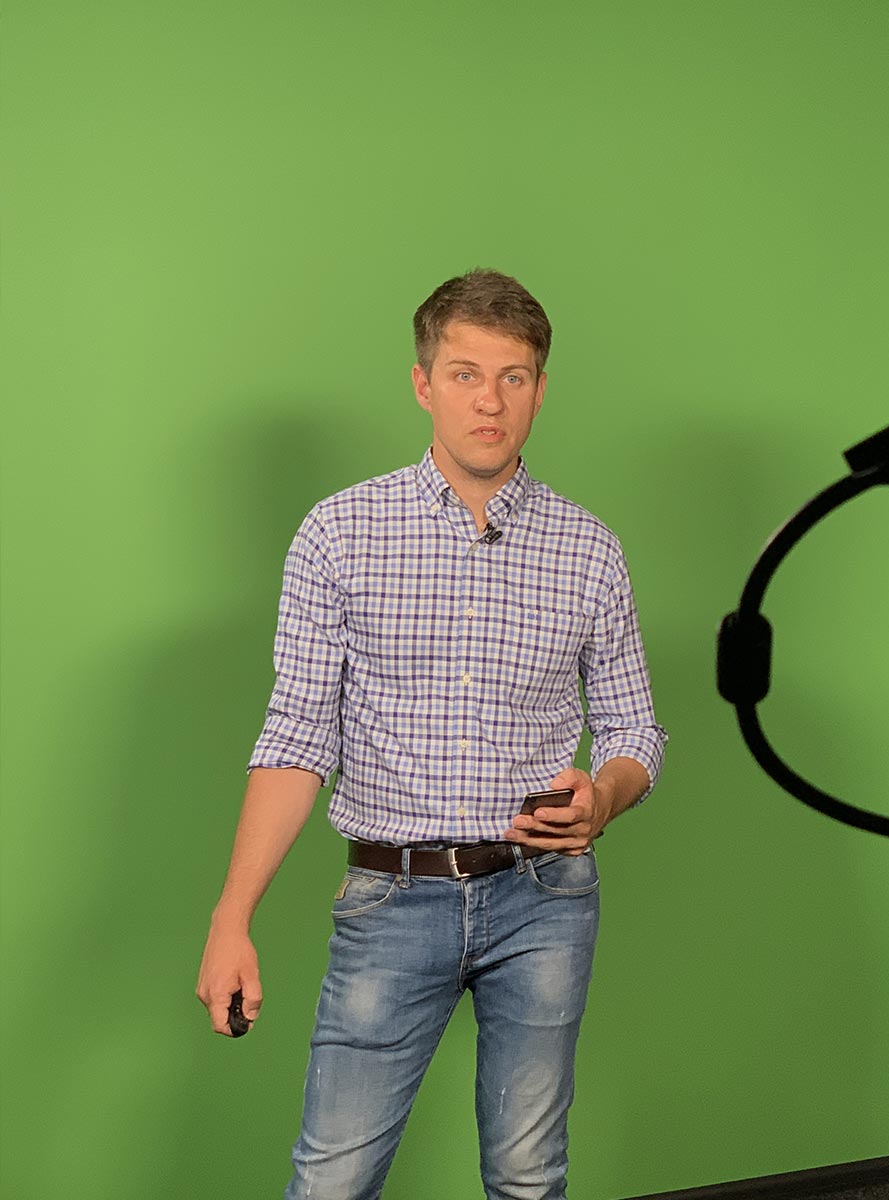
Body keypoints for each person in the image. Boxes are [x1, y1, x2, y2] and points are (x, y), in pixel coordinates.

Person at [195, 268, 666, 1199]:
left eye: (513, 377)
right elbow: (296, 738)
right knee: (333, 1178)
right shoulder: (339, 533)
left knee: (529, 1175)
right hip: (392, 898)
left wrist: (604, 796)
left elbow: (633, 727)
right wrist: (231, 916)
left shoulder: (590, 549)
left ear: (539, 389)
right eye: (465, 374)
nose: (490, 401)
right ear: (423, 384)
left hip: (545, 897)